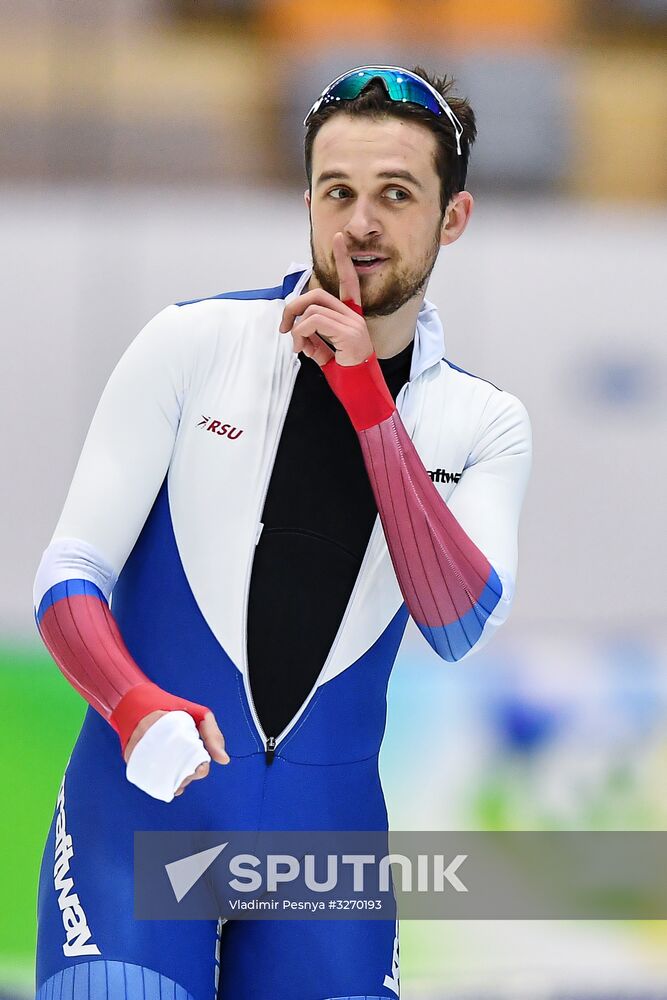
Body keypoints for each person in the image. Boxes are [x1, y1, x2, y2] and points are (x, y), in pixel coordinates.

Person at [33, 65, 532, 1000]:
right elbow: (68, 574)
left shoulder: (482, 422)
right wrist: (135, 706)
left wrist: (367, 405)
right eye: (338, 192)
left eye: (395, 194)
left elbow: (455, 624)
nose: (360, 223)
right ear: (306, 200)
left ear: (451, 217)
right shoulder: (191, 346)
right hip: (148, 811)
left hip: (323, 845)